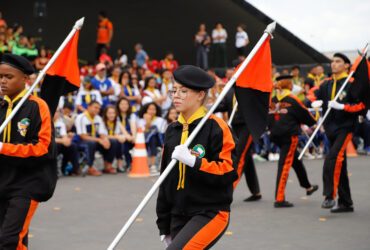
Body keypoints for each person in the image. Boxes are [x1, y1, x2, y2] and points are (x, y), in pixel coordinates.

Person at [156, 65, 238, 249]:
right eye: (174, 90)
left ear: (200, 95)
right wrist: (164, 223)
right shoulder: (172, 130)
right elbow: (166, 179)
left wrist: (195, 162)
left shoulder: (217, 127)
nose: (176, 95)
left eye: (183, 91)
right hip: (178, 213)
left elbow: (229, 172)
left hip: (210, 211)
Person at [0, 54, 57, 249]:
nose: (3, 81)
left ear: (25, 79)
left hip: (27, 182)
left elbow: (42, 148)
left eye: (8, 77)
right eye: (0, 77)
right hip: (3, 180)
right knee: (13, 237)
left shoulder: (37, 107)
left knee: (9, 239)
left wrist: (3, 148)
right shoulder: (0, 105)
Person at [309, 53, 366, 213]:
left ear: (347, 65)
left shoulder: (352, 83)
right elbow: (311, 93)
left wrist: (343, 107)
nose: (333, 64)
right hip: (330, 128)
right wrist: (314, 101)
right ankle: (346, 202)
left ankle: (329, 196)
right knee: (340, 165)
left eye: (338, 61)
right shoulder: (326, 83)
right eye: (332, 61)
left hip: (345, 126)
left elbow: (362, 104)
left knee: (333, 159)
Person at [269, 75, 319, 207]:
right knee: (285, 165)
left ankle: (307, 186)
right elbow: (309, 119)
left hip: (275, 135)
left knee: (295, 160)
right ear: (289, 85)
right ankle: (279, 198)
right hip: (289, 135)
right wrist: (316, 112)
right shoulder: (293, 99)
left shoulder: (272, 99)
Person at [74, 101, 116, 176]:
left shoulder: (98, 118)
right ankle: (90, 167)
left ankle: (108, 165)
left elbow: (102, 133)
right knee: (91, 143)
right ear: (88, 107)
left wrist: (105, 139)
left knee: (112, 142)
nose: (97, 110)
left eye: (99, 108)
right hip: (81, 141)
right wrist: (100, 140)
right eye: (95, 107)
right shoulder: (81, 117)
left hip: (95, 140)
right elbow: (83, 136)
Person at [138, 102, 165, 174]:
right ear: (146, 110)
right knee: (150, 137)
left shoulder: (160, 120)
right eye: (150, 109)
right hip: (144, 140)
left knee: (152, 136)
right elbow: (142, 133)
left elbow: (160, 132)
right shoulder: (141, 120)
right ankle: (150, 164)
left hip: (158, 140)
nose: (152, 111)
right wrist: (147, 122)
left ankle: (152, 165)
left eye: (154, 109)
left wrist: (149, 122)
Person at [54, 110, 80, 176]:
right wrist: (62, 141)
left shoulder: (60, 123)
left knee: (72, 146)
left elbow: (64, 135)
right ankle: (53, 170)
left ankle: (75, 168)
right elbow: (48, 139)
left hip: (59, 142)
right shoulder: (46, 122)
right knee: (55, 146)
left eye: (57, 112)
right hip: (49, 144)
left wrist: (66, 140)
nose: (56, 113)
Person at [102, 105, 126, 172]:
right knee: (114, 141)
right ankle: (108, 165)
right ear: (105, 114)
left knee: (119, 142)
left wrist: (123, 137)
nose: (111, 115)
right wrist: (118, 137)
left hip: (113, 140)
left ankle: (119, 164)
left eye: (113, 113)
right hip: (103, 141)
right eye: (109, 113)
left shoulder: (117, 122)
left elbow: (119, 133)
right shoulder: (102, 122)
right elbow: (103, 135)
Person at [116, 97, 137, 170]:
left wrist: (133, 137)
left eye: (126, 104)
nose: (124, 106)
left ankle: (131, 164)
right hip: (120, 135)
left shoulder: (132, 115)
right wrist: (127, 136)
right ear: (118, 105)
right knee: (123, 141)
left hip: (130, 135)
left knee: (133, 141)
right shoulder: (116, 115)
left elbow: (133, 126)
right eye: (122, 104)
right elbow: (121, 127)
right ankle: (128, 163)